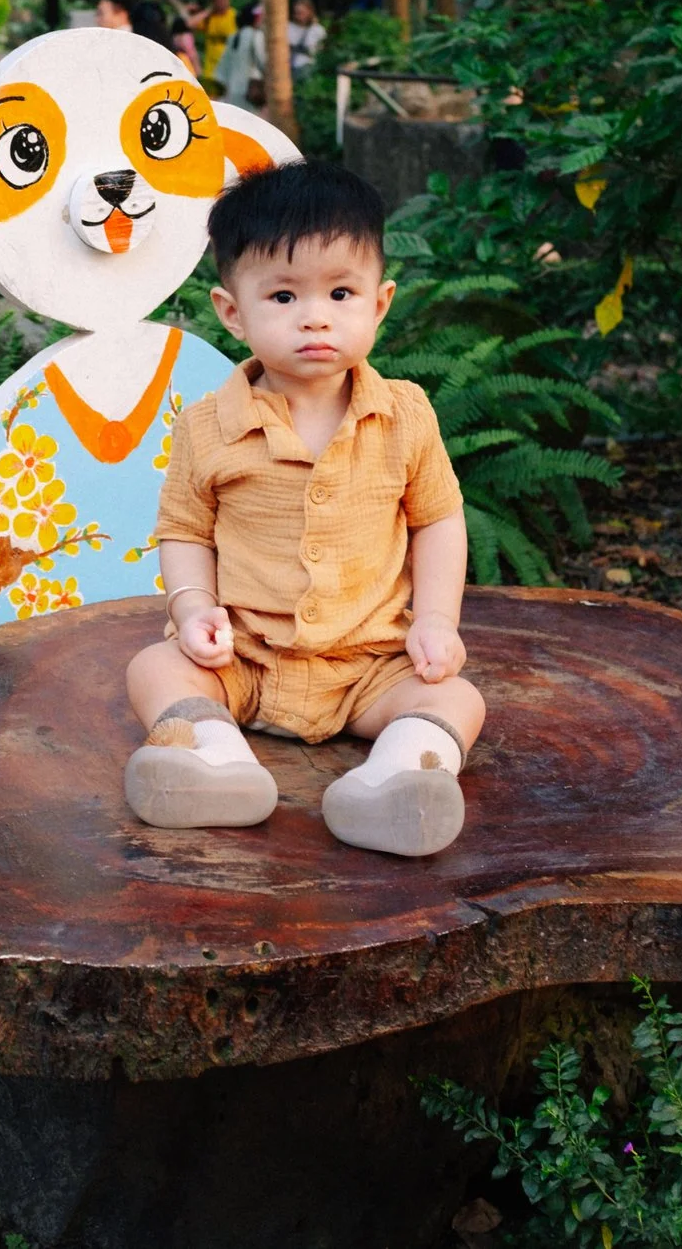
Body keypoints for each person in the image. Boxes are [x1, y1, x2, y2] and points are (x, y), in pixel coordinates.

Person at [120, 160, 484, 857]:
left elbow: (437, 518)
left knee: (456, 699)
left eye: (341, 292)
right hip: (246, 660)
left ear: (379, 303)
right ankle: (216, 759)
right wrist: (193, 609)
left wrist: (437, 622)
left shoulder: (405, 415)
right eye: (283, 296)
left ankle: (397, 781)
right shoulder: (205, 427)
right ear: (233, 312)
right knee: (153, 667)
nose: (315, 314)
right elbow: (185, 529)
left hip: (371, 666)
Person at [193, 0, 238, 82]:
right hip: (211, 67)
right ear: (213, 2)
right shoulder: (209, 18)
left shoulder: (234, 16)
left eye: (226, 0)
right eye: (220, 1)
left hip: (231, 65)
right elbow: (190, 24)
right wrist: (208, 11)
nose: (224, 3)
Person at [286, 0, 327, 76]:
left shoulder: (317, 30)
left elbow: (321, 51)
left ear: (309, 12)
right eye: (296, 13)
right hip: (288, 67)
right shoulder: (288, 27)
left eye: (301, 13)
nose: (298, 16)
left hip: (308, 67)